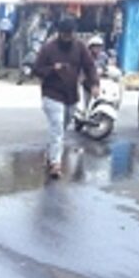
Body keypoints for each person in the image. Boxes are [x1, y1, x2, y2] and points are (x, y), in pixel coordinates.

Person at [33, 18, 99, 178]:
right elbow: (37, 69)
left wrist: (94, 84)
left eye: (71, 34)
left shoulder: (80, 47)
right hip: (51, 94)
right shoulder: (49, 48)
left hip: (71, 96)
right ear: (59, 33)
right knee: (57, 127)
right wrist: (52, 69)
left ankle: (50, 155)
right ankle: (55, 164)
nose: (68, 37)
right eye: (65, 34)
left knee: (62, 127)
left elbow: (89, 66)